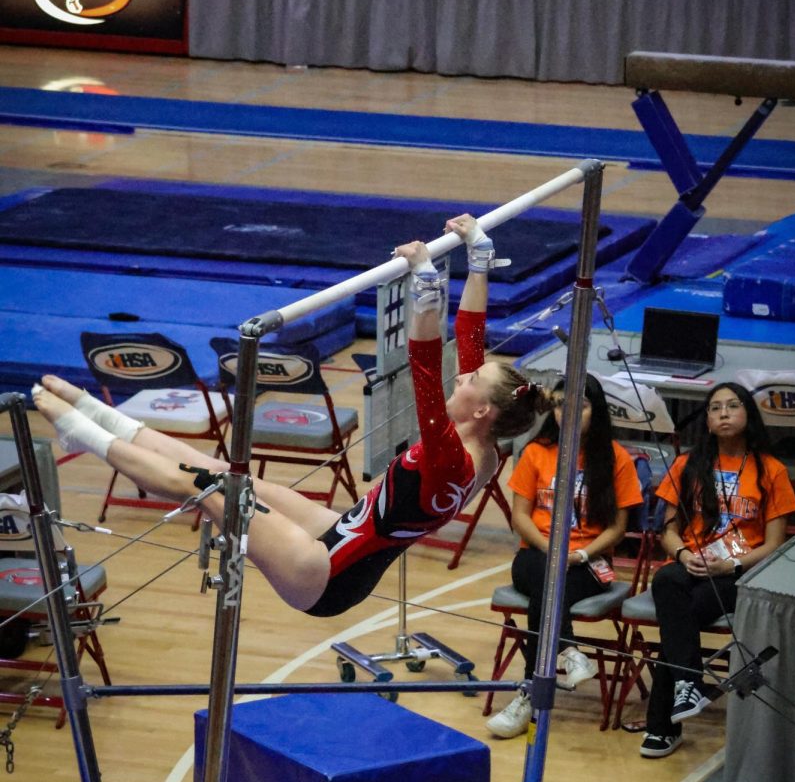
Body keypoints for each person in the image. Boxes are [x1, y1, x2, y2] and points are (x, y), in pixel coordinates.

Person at [32, 216, 552, 622]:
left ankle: (76, 428)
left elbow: (421, 362)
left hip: (323, 577)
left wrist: (425, 281)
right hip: (341, 532)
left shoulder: (450, 457)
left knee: (210, 488)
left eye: (469, 381)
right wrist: (477, 256)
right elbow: (470, 339)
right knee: (219, 467)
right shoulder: (484, 447)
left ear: (482, 409)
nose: (460, 377)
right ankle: (92, 408)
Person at [640, 382, 795, 758]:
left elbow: (776, 544)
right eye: (714, 408)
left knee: (679, 621)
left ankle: (664, 723)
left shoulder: (770, 470)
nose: (723, 413)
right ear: (707, 421)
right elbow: (668, 531)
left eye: (732, 406)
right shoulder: (686, 465)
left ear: (748, 415)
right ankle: (688, 687)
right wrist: (681, 555)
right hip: (691, 565)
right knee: (666, 578)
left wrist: (733, 562)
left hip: (740, 572)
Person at [486, 374, 643, 738]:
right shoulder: (537, 452)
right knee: (547, 577)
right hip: (535, 554)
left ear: (596, 411)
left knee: (548, 590)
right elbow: (519, 517)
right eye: (559, 405)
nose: (567, 413)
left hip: (588, 561)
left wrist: (582, 552)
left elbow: (618, 529)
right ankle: (569, 650)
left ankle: (528, 695)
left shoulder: (616, 458)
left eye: (580, 406)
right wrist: (553, 549)